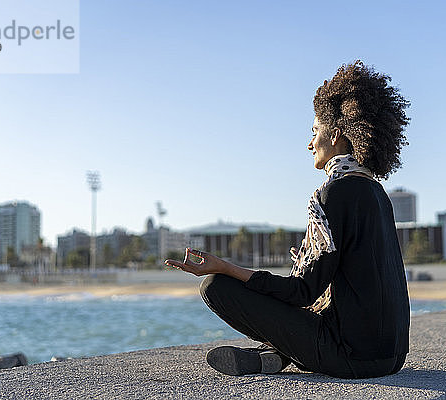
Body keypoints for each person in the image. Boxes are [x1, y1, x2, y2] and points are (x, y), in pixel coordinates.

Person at [165, 60, 411, 379]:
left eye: (314, 132)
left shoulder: (331, 193)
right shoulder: (376, 192)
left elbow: (302, 292)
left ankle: (278, 353)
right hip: (392, 357)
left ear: (335, 133)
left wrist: (225, 268)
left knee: (216, 287)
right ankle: (277, 355)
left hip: (352, 358)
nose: (310, 143)